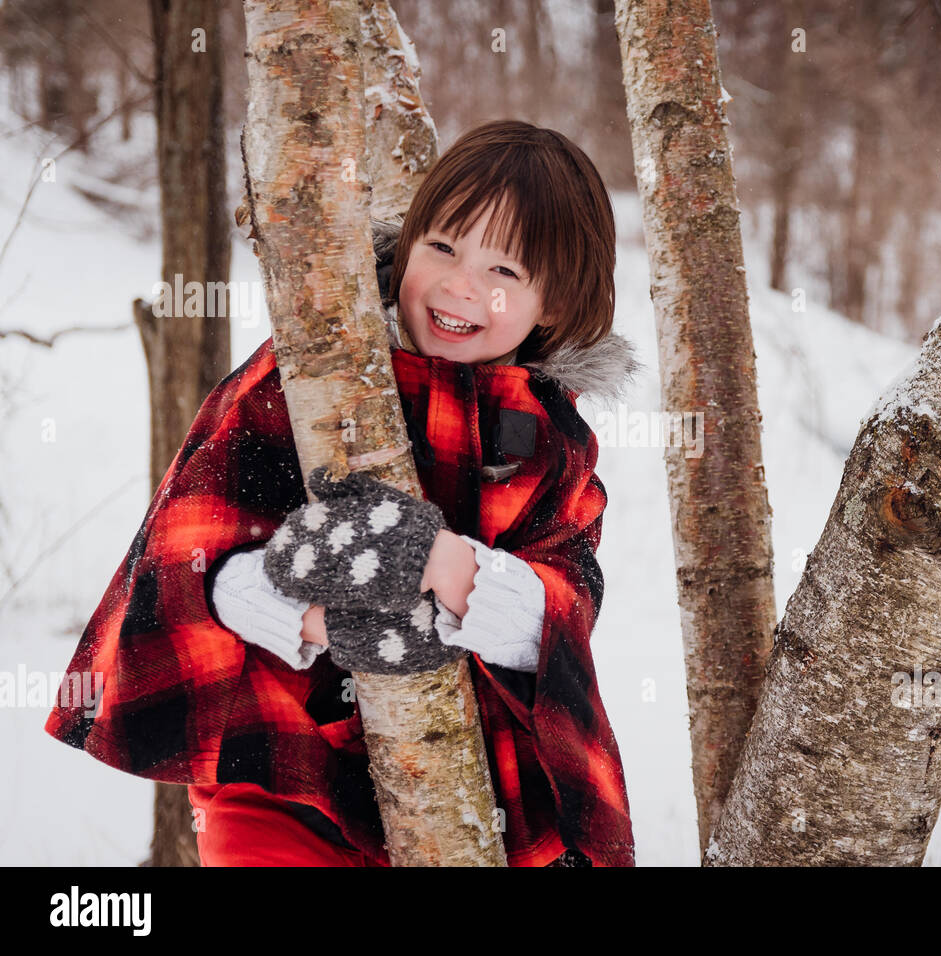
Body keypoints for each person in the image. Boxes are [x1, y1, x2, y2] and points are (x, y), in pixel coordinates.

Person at [45, 120, 644, 867]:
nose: (462, 286)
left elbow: (563, 611)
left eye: (506, 273)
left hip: (466, 783)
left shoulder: (553, 438)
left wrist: (447, 566)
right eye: (444, 247)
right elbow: (199, 560)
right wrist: (324, 617)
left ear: (552, 303)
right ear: (410, 243)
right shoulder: (312, 375)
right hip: (283, 761)